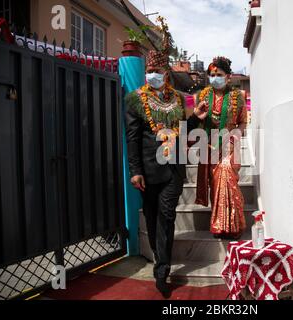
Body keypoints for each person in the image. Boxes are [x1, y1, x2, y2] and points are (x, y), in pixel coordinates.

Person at [125, 17, 207, 297]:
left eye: (157, 70)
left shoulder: (177, 100)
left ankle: (162, 271)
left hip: (173, 168)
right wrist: (135, 170)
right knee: (152, 217)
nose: (152, 75)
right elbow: (133, 137)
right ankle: (161, 260)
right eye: (149, 71)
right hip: (148, 169)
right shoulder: (135, 99)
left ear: (166, 73)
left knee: (167, 215)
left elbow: (183, 133)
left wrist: (195, 118)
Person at [194, 56, 248, 240]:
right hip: (209, 146)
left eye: (219, 74)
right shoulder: (201, 96)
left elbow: (242, 122)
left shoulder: (238, 97)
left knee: (227, 179)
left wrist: (235, 135)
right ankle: (220, 225)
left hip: (230, 145)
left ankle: (233, 225)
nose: (214, 77)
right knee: (215, 184)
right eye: (212, 74)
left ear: (228, 77)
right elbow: (197, 122)